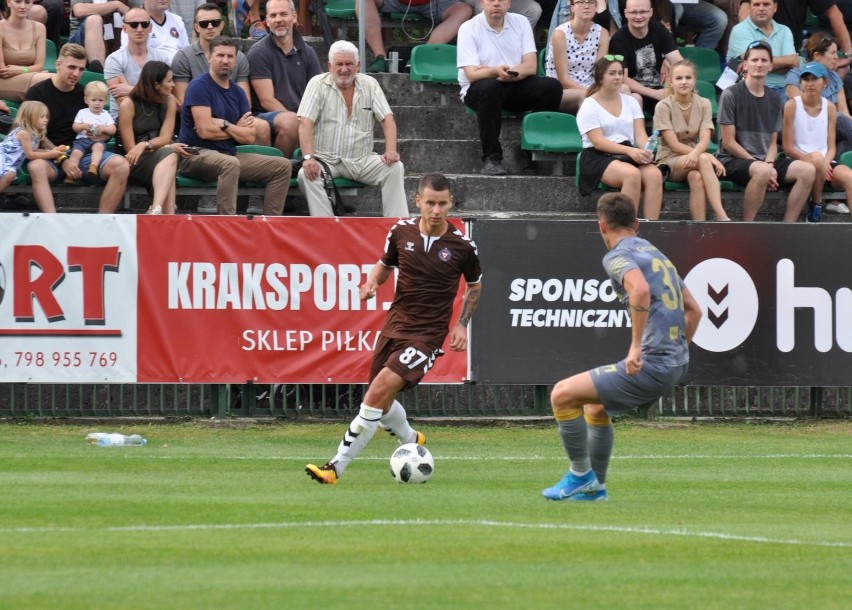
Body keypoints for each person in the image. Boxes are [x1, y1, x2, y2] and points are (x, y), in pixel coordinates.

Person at [305, 172, 483, 485]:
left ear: (451, 203)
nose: (436, 209)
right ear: (419, 201)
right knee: (382, 401)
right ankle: (411, 437)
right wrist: (372, 281)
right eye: (430, 202)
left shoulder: (462, 246)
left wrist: (462, 325)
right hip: (395, 326)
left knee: (376, 393)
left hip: (426, 336)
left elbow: (475, 287)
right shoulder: (401, 232)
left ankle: (335, 467)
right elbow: (385, 265)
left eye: (442, 203)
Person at [542, 191, 702, 502]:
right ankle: (596, 489)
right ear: (637, 224)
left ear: (602, 226)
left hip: (654, 364)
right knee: (596, 407)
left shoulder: (617, 256)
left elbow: (639, 290)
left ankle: (579, 475)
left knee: (561, 395)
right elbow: (695, 310)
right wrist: (678, 352)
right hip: (675, 365)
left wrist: (636, 348)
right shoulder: (657, 255)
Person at [178, 36, 292, 215]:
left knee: (282, 166)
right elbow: (205, 131)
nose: (225, 60)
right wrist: (235, 129)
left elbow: (249, 137)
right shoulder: (198, 86)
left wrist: (225, 125)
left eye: (230, 56)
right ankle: (228, 224)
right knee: (229, 164)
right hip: (195, 154)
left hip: (228, 154)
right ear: (209, 57)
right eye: (220, 55)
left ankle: (270, 226)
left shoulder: (238, 93)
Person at [296, 40, 409, 217]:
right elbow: (305, 123)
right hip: (326, 160)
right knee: (306, 174)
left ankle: (398, 227)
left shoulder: (370, 84)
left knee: (395, 167)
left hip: (361, 160)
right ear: (329, 66)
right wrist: (309, 157)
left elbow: (387, 119)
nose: (344, 69)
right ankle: (325, 226)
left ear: (358, 65)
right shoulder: (317, 83)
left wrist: (391, 151)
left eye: (349, 64)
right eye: (339, 64)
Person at [457, 0, 563, 176]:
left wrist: (503, 72)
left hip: (512, 81)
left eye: (502, 0)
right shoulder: (468, 28)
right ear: (482, 3)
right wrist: (495, 72)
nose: (496, 4)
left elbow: (530, 66)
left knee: (552, 87)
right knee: (490, 88)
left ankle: (528, 149)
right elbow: (472, 74)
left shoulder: (521, 22)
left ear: (509, 3)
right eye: (491, 0)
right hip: (478, 89)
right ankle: (491, 157)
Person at [24, 43, 130, 213]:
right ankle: (51, 223)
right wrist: (63, 159)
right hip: (50, 155)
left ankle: (102, 223)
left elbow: (104, 128)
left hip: (84, 152)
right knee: (36, 167)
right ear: (58, 64)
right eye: (72, 67)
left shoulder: (85, 95)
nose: (76, 74)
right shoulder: (37, 93)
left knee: (121, 165)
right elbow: (34, 134)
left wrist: (101, 135)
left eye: (81, 69)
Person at [716, 41, 814, 222]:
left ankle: (788, 227)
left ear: (770, 66)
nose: (759, 64)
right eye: (754, 60)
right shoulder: (730, 94)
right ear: (745, 64)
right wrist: (762, 166)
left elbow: (772, 142)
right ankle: (748, 226)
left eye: (764, 60)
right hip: (732, 161)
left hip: (764, 161)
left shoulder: (775, 98)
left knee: (807, 170)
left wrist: (769, 164)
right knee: (761, 171)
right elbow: (729, 143)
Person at [576, 55, 664, 219]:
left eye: (620, 73)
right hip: (598, 156)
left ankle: (652, 226)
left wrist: (647, 150)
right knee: (631, 174)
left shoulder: (630, 101)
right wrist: (631, 151)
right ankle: (626, 228)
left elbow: (639, 134)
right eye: (612, 73)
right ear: (600, 77)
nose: (617, 77)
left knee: (654, 174)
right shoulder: (589, 104)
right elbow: (598, 142)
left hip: (626, 152)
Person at [653, 59, 730, 221]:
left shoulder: (705, 104)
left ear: (694, 80)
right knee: (703, 159)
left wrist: (698, 154)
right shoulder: (663, 106)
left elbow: (705, 139)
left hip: (694, 157)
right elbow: (673, 144)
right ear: (671, 82)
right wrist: (706, 156)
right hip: (669, 160)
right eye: (679, 78)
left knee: (696, 177)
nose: (684, 82)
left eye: (688, 78)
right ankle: (722, 216)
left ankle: (699, 225)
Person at [247, 0, 321, 157]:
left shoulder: (308, 53)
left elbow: (318, 95)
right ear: (266, 21)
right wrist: (299, 124)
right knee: (290, 122)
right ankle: (280, 171)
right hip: (266, 116)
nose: (278, 19)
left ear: (294, 17)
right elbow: (267, 100)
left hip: (299, 116)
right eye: (273, 15)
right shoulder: (259, 52)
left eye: (283, 14)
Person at [118, 60, 193, 215]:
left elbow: (165, 137)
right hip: (133, 162)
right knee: (170, 156)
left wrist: (145, 145)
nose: (173, 85)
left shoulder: (170, 100)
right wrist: (163, 148)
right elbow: (130, 150)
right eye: (169, 81)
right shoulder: (128, 104)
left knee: (170, 156)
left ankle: (157, 210)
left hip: (158, 156)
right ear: (156, 85)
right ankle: (166, 213)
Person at [783, 62, 852, 218]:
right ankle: (817, 203)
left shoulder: (830, 107)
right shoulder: (791, 106)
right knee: (816, 158)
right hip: (798, 161)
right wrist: (818, 162)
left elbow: (831, 146)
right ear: (800, 82)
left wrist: (826, 162)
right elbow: (788, 148)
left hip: (825, 162)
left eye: (815, 79)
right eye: (806, 79)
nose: (810, 83)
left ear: (825, 82)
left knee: (850, 177)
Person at [609, 0, 684, 115]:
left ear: (651, 12)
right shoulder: (619, 40)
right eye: (633, 12)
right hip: (635, 91)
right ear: (626, 13)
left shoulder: (658, 29)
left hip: (659, 86)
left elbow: (678, 62)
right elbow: (622, 77)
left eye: (643, 12)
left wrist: (674, 82)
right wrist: (655, 94)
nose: (638, 16)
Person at [357, 0, 473, 73]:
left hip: (434, 3)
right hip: (396, 2)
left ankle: (422, 56)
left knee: (464, 10)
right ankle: (381, 58)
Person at [172, 3, 252, 108]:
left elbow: (246, 103)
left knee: (262, 124)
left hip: (234, 117)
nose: (210, 27)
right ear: (196, 27)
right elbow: (182, 103)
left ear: (222, 25)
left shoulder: (238, 57)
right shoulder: (183, 57)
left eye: (215, 23)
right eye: (204, 24)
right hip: (197, 119)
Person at [786, 33, 852, 157]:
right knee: (840, 118)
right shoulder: (797, 75)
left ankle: (831, 168)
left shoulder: (834, 77)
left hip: (829, 130)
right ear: (817, 56)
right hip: (806, 130)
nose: (836, 57)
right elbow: (801, 106)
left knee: (845, 141)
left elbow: (845, 112)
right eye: (832, 53)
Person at [104, 7, 172, 120]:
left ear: (150, 28)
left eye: (144, 24)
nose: (139, 29)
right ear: (124, 28)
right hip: (124, 121)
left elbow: (166, 96)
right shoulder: (114, 59)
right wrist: (154, 92)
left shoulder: (162, 58)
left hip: (156, 119)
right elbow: (123, 101)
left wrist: (131, 90)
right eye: (134, 24)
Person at [545, 0, 613, 113]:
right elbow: (564, 80)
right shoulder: (560, 34)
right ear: (572, 7)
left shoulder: (602, 33)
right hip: (563, 90)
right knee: (585, 98)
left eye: (591, 2)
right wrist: (593, 92)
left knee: (624, 90)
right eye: (581, 2)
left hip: (592, 87)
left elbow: (600, 72)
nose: (586, 6)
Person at [727, 0, 797, 105]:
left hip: (782, 88)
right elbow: (752, 64)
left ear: (775, 7)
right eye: (756, 4)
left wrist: (758, 65)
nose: (761, 8)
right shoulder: (740, 30)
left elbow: (794, 62)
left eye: (766, 4)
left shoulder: (785, 30)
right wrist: (785, 63)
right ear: (750, 7)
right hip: (750, 89)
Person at [0, 100, 66, 193]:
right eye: (42, 117)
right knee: (10, 175)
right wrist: (50, 154)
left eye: (46, 116)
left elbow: (34, 150)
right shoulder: (24, 133)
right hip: (3, 157)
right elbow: (30, 155)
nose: (46, 119)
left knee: (10, 175)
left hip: (11, 162)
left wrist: (54, 150)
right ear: (30, 118)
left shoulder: (36, 135)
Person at [0, 0, 52, 102]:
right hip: (3, 81)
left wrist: (21, 70)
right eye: (18, 2)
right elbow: (2, 70)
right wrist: (33, 71)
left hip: (31, 77)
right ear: (9, 3)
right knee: (50, 82)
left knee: (54, 82)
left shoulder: (39, 28)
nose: (23, 6)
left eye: (27, 2)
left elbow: (39, 65)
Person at [67, 80, 115, 181]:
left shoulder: (105, 114)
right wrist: (83, 126)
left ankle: (93, 166)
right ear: (86, 100)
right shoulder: (82, 112)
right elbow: (74, 127)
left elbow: (113, 129)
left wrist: (104, 128)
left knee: (98, 148)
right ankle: (71, 173)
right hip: (82, 140)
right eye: (93, 100)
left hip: (97, 140)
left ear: (106, 101)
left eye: (100, 100)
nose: (97, 103)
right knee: (75, 153)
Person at [69, 0, 131, 72]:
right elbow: (79, 10)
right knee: (94, 19)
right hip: (79, 44)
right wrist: (116, 5)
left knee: (140, 24)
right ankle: (98, 70)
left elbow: (144, 15)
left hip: (118, 42)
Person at [121, 0, 190, 64]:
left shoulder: (177, 20)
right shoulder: (132, 23)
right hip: (150, 73)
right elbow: (130, 59)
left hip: (179, 71)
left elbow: (186, 53)